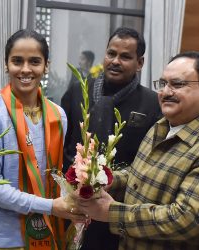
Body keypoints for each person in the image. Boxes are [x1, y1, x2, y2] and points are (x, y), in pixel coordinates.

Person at [0, 29, 87, 250]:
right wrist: (50, 206)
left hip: (48, 232)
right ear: (6, 64)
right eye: (17, 61)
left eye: (34, 61)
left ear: (46, 66)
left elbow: (54, 173)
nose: (25, 69)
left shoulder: (57, 115)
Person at [77, 51, 199, 249]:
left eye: (177, 84)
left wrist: (111, 213)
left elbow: (186, 219)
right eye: (162, 84)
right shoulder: (160, 127)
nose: (166, 92)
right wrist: (103, 180)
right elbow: (138, 175)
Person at [61, 27, 162, 250]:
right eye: (111, 53)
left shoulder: (153, 103)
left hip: (118, 210)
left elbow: (152, 160)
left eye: (125, 56)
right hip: (72, 203)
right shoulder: (78, 91)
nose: (115, 61)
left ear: (140, 63)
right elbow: (64, 145)